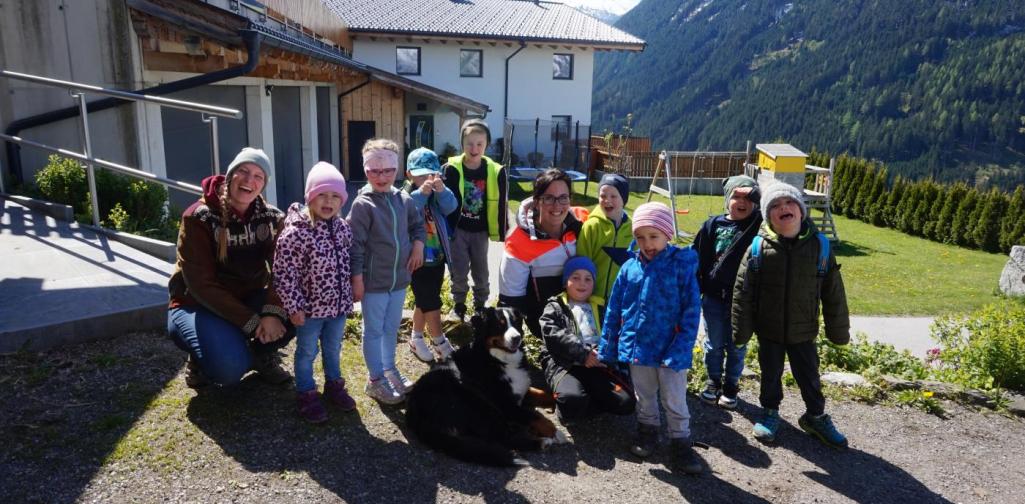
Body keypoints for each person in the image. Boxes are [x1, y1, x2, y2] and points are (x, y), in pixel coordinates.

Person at [732, 182, 851, 449]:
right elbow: (743, 293)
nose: (783, 208)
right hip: (769, 330)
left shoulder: (819, 247)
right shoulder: (758, 249)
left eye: (789, 203)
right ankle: (770, 413)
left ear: (801, 210)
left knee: (809, 375)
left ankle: (815, 416)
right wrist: (740, 332)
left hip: (803, 330)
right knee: (769, 374)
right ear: (768, 216)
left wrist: (838, 331)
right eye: (774, 205)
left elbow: (833, 293)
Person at [167, 147, 293, 387]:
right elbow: (200, 285)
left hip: (249, 298)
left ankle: (261, 354)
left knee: (301, 304)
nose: (249, 180)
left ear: (264, 184)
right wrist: (253, 322)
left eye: (258, 176)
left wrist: (271, 312)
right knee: (229, 371)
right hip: (197, 305)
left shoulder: (272, 218)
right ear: (230, 175)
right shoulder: (198, 217)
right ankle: (201, 357)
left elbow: (284, 270)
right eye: (243, 171)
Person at [598, 202, 703, 474]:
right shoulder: (629, 269)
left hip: (670, 351)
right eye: (640, 237)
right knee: (644, 395)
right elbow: (614, 309)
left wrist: (680, 349)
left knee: (674, 399)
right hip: (638, 349)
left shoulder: (680, 267)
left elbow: (691, 312)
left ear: (668, 234)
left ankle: (680, 443)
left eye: (653, 236)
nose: (647, 243)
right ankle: (648, 431)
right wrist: (608, 344)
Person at [273, 162, 357, 423]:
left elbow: (348, 260)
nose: (328, 202)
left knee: (333, 348)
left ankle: (334, 384)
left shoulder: (342, 228)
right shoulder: (296, 233)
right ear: (310, 196)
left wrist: (352, 289)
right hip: (309, 311)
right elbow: (283, 273)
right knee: (307, 352)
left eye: (335, 196)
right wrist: (294, 306)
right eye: (322, 195)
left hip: (337, 307)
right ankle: (306, 392)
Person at [348, 138, 426, 405]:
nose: (381, 176)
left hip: (399, 280)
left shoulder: (403, 199)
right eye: (374, 170)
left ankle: (389, 369)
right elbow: (355, 246)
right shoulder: (362, 205)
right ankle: (375, 380)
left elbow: (417, 227)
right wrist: (357, 280)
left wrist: (418, 246)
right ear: (365, 170)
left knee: (391, 328)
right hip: (374, 283)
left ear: (397, 169)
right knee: (373, 331)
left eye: (388, 170)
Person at [691, 175, 762, 410]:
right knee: (713, 343)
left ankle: (731, 385)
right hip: (713, 298)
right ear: (727, 198)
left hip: (742, 301)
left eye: (748, 197)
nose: (741, 202)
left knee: (737, 345)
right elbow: (697, 256)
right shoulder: (713, 225)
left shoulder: (758, 226)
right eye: (736, 196)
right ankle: (713, 380)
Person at [538, 256, 635, 426]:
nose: (582, 283)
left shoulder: (602, 307)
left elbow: (614, 334)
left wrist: (604, 354)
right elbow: (552, 334)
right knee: (571, 400)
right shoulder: (555, 305)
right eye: (575, 277)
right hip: (566, 365)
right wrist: (584, 353)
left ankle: (583, 402)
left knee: (627, 403)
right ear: (565, 282)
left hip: (597, 364)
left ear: (593, 284)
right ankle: (569, 405)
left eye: (588, 279)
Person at [499, 168, 589, 339]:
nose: (557, 206)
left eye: (563, 198)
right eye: (549, 198)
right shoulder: (518, 241)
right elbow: (510, 304)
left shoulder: (584, 222)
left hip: (588, 318)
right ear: (536, 201)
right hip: (548, 327)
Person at [444, 119, 509, 320]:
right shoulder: (451, 168)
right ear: (461, 144)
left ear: (486, 145)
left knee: (481, 269)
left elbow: (502, 201)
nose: (474, 148)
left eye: (479, 144)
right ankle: (459, 305)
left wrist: (502, 229)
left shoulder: (495, 170)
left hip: (480, 231)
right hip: (458, 229)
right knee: (459, 269)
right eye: (469, 143)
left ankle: (481, 305)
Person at [403, 147, 458, 362]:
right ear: (409, 175)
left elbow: (451, 207)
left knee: (424, 300)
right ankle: (439, 340)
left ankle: (416, 338)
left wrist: (441, 190)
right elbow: (407, 212)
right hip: (417, 260)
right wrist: (421, 194)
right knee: (431, 302)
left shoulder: (438, 194)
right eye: (421, 175)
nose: (427, 179)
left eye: (431, 174)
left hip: (437, 258)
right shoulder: (405, 195)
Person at [576, 173, 633, 306]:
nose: (607, 200)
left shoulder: (633, 229)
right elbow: (581, 262)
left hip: (621, 300)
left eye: (613, 196)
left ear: (624, 199)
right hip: (593, 299)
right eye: (603, 196)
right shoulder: (592, 226)